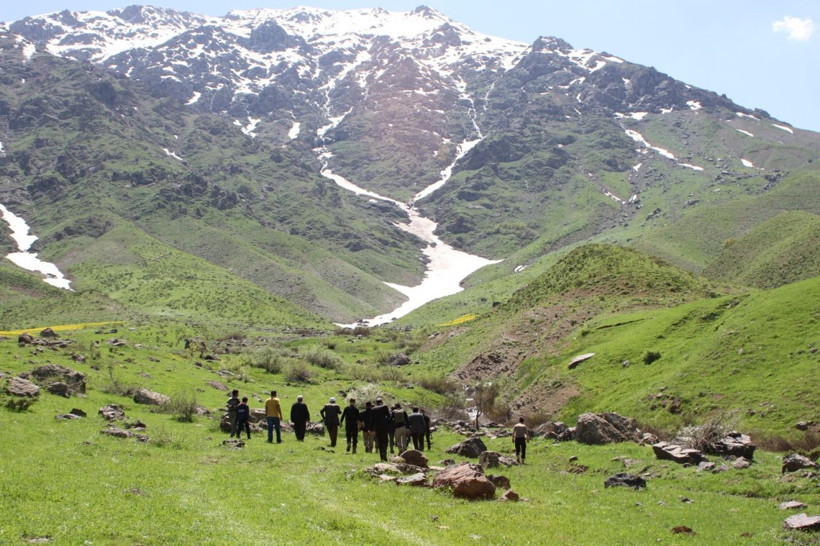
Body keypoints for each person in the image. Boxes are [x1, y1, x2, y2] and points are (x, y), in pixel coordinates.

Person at [371, 398, 392, 462]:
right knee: (385, 441)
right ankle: (384, 453)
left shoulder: (373, 409)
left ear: (376, 402)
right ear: (381, 402)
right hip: (384, 427)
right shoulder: (385, 407)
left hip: (377, 427)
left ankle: (381, 456)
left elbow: (372, 420)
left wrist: (371, 428)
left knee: (379, 441)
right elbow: (389, 416)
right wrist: (387, 422)